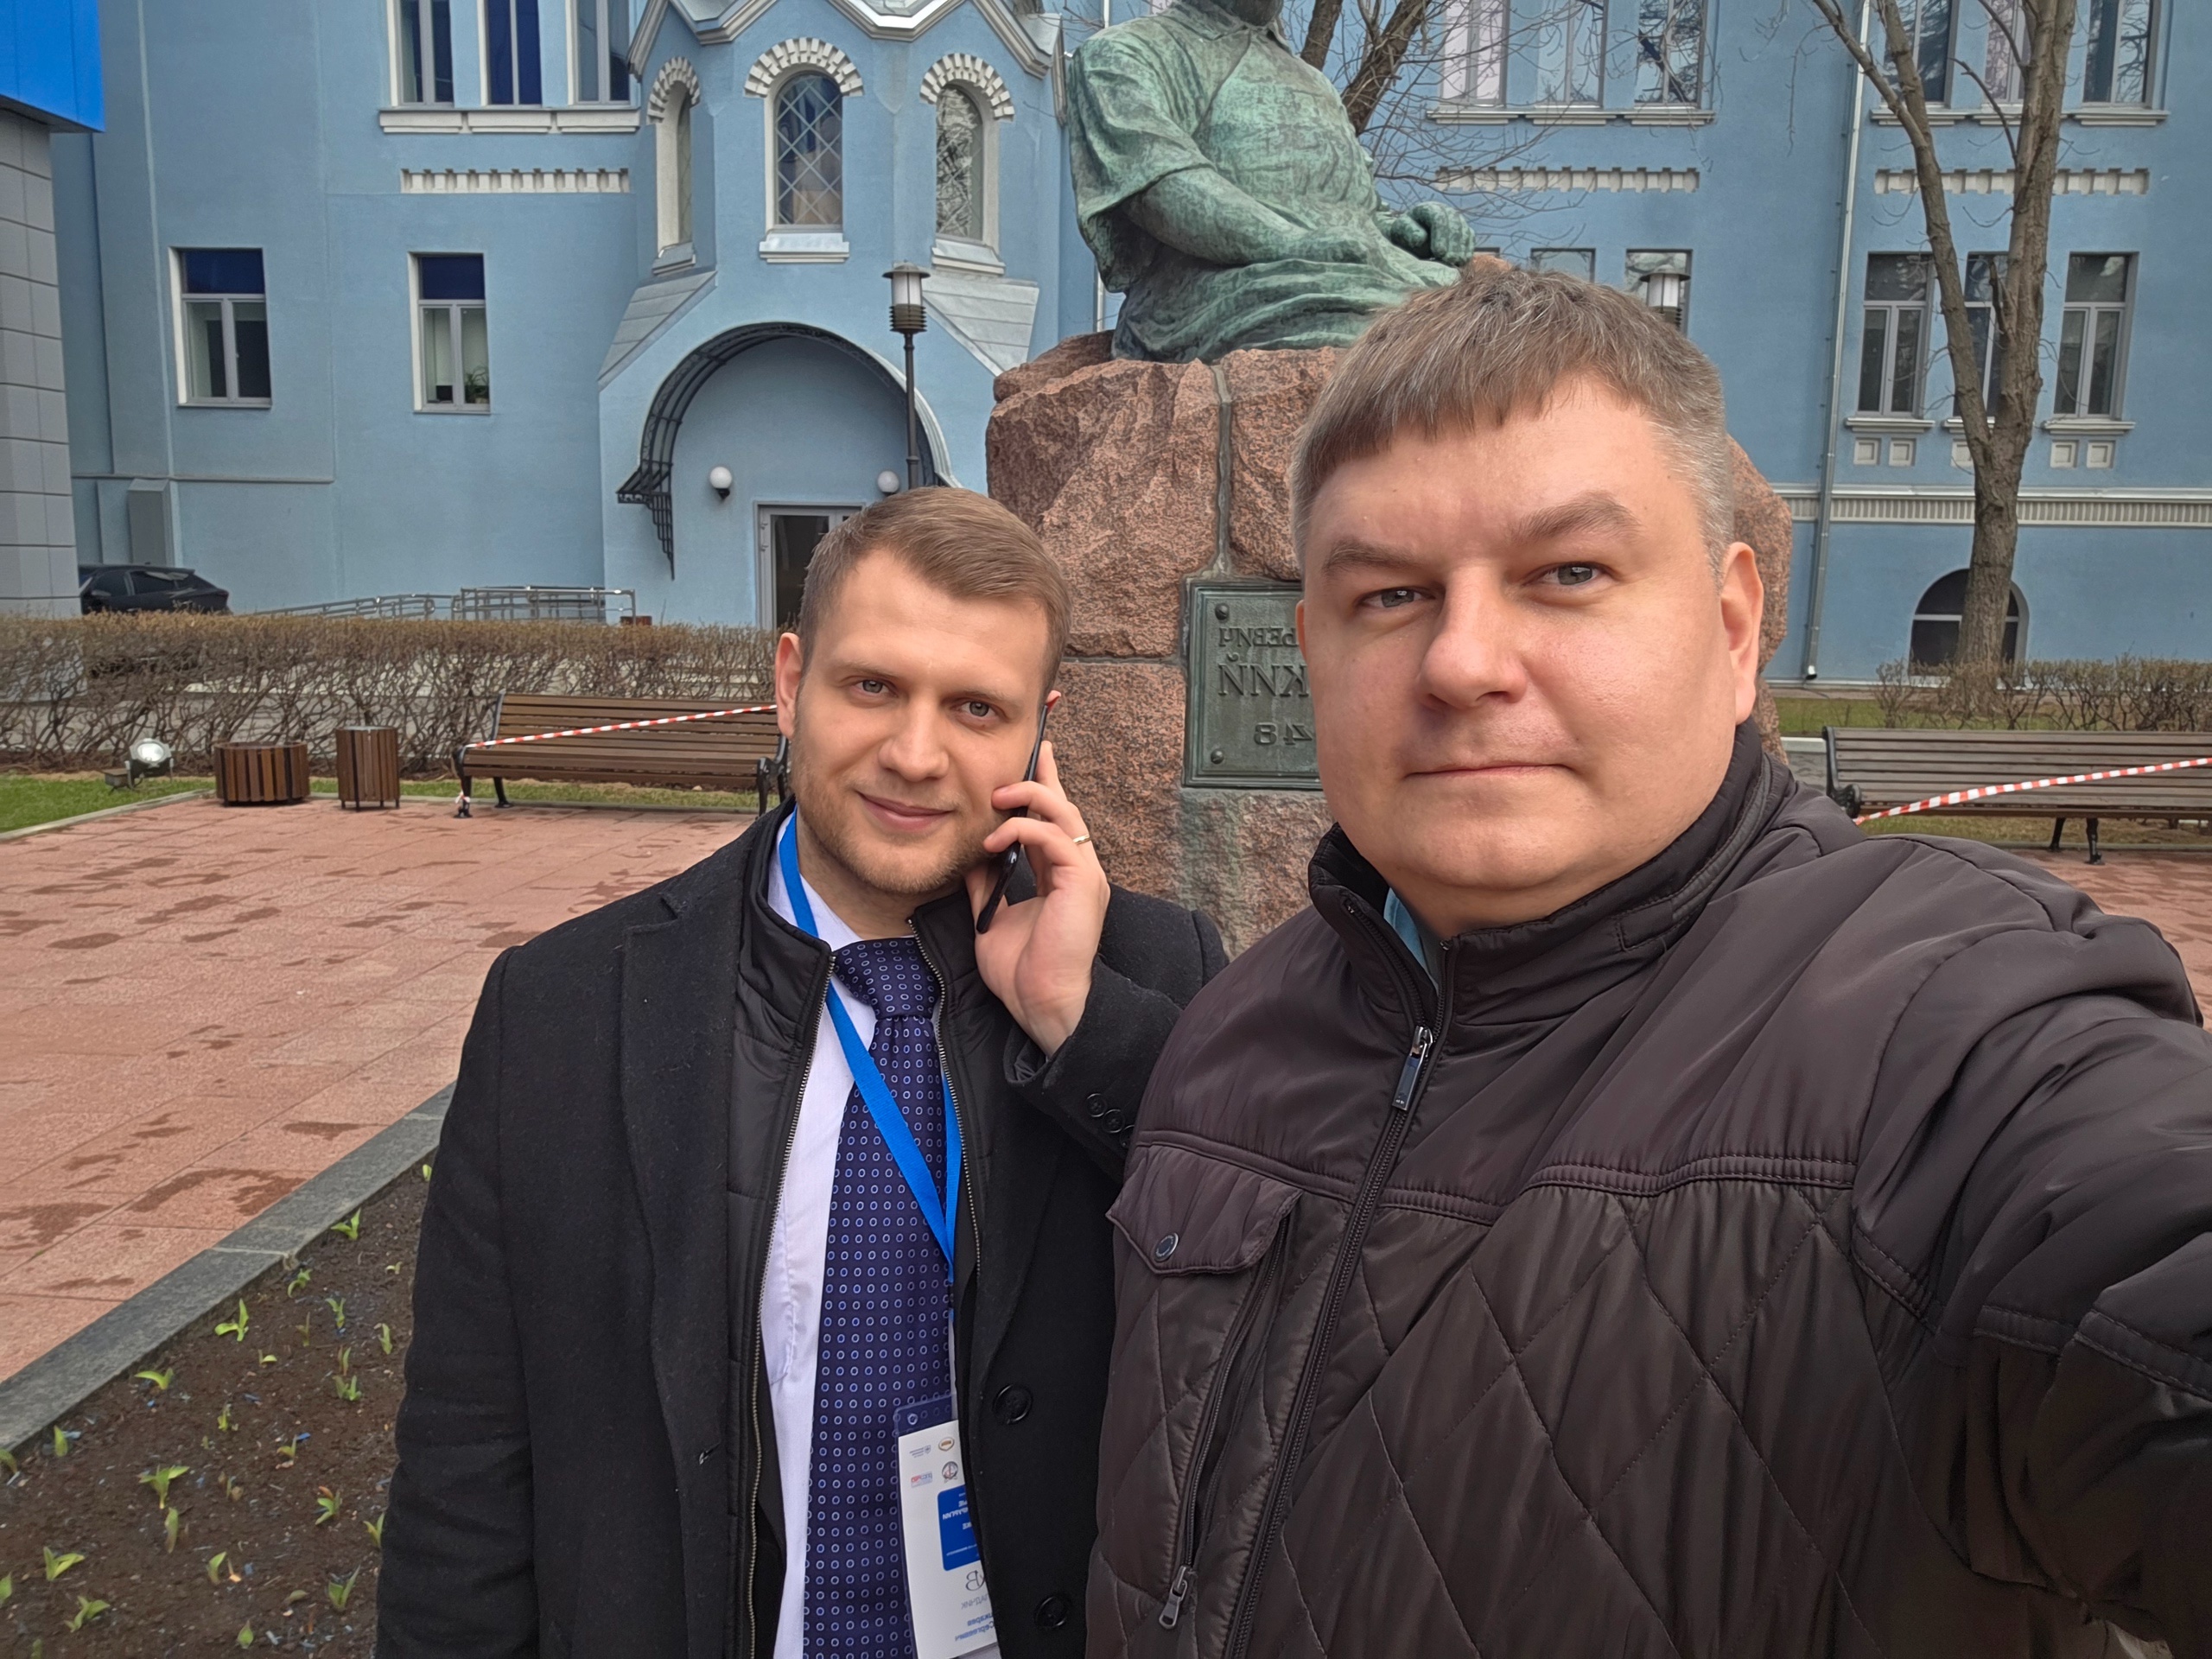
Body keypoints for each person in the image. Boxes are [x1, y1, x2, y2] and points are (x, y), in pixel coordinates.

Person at [1088, 261, 2212, 1657]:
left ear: (1734, 629)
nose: (1462, 661)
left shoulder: (1948, 1027)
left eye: (1568, 573)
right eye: (1389, 595)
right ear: (1313, 648)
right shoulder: (1226, 1039)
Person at [379, 488, 1226, 1658]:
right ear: (789, 683)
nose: (915, 755)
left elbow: (1265, 1338)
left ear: (1041, 730)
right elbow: (468, 1459)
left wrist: (1083, 1030)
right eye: (872, 686)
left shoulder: (1153, 976)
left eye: (975, 707)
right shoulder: (564, 1009)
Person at [1065, 0, 1477, 362]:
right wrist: (1292, 244)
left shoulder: (1313, 81)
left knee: (1475, 311)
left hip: (1358, 269)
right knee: (1376, 324)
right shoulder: (1122, 53)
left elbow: (1357, 207)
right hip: (1222, 291)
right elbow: (1159, 184)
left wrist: (1403, 230)